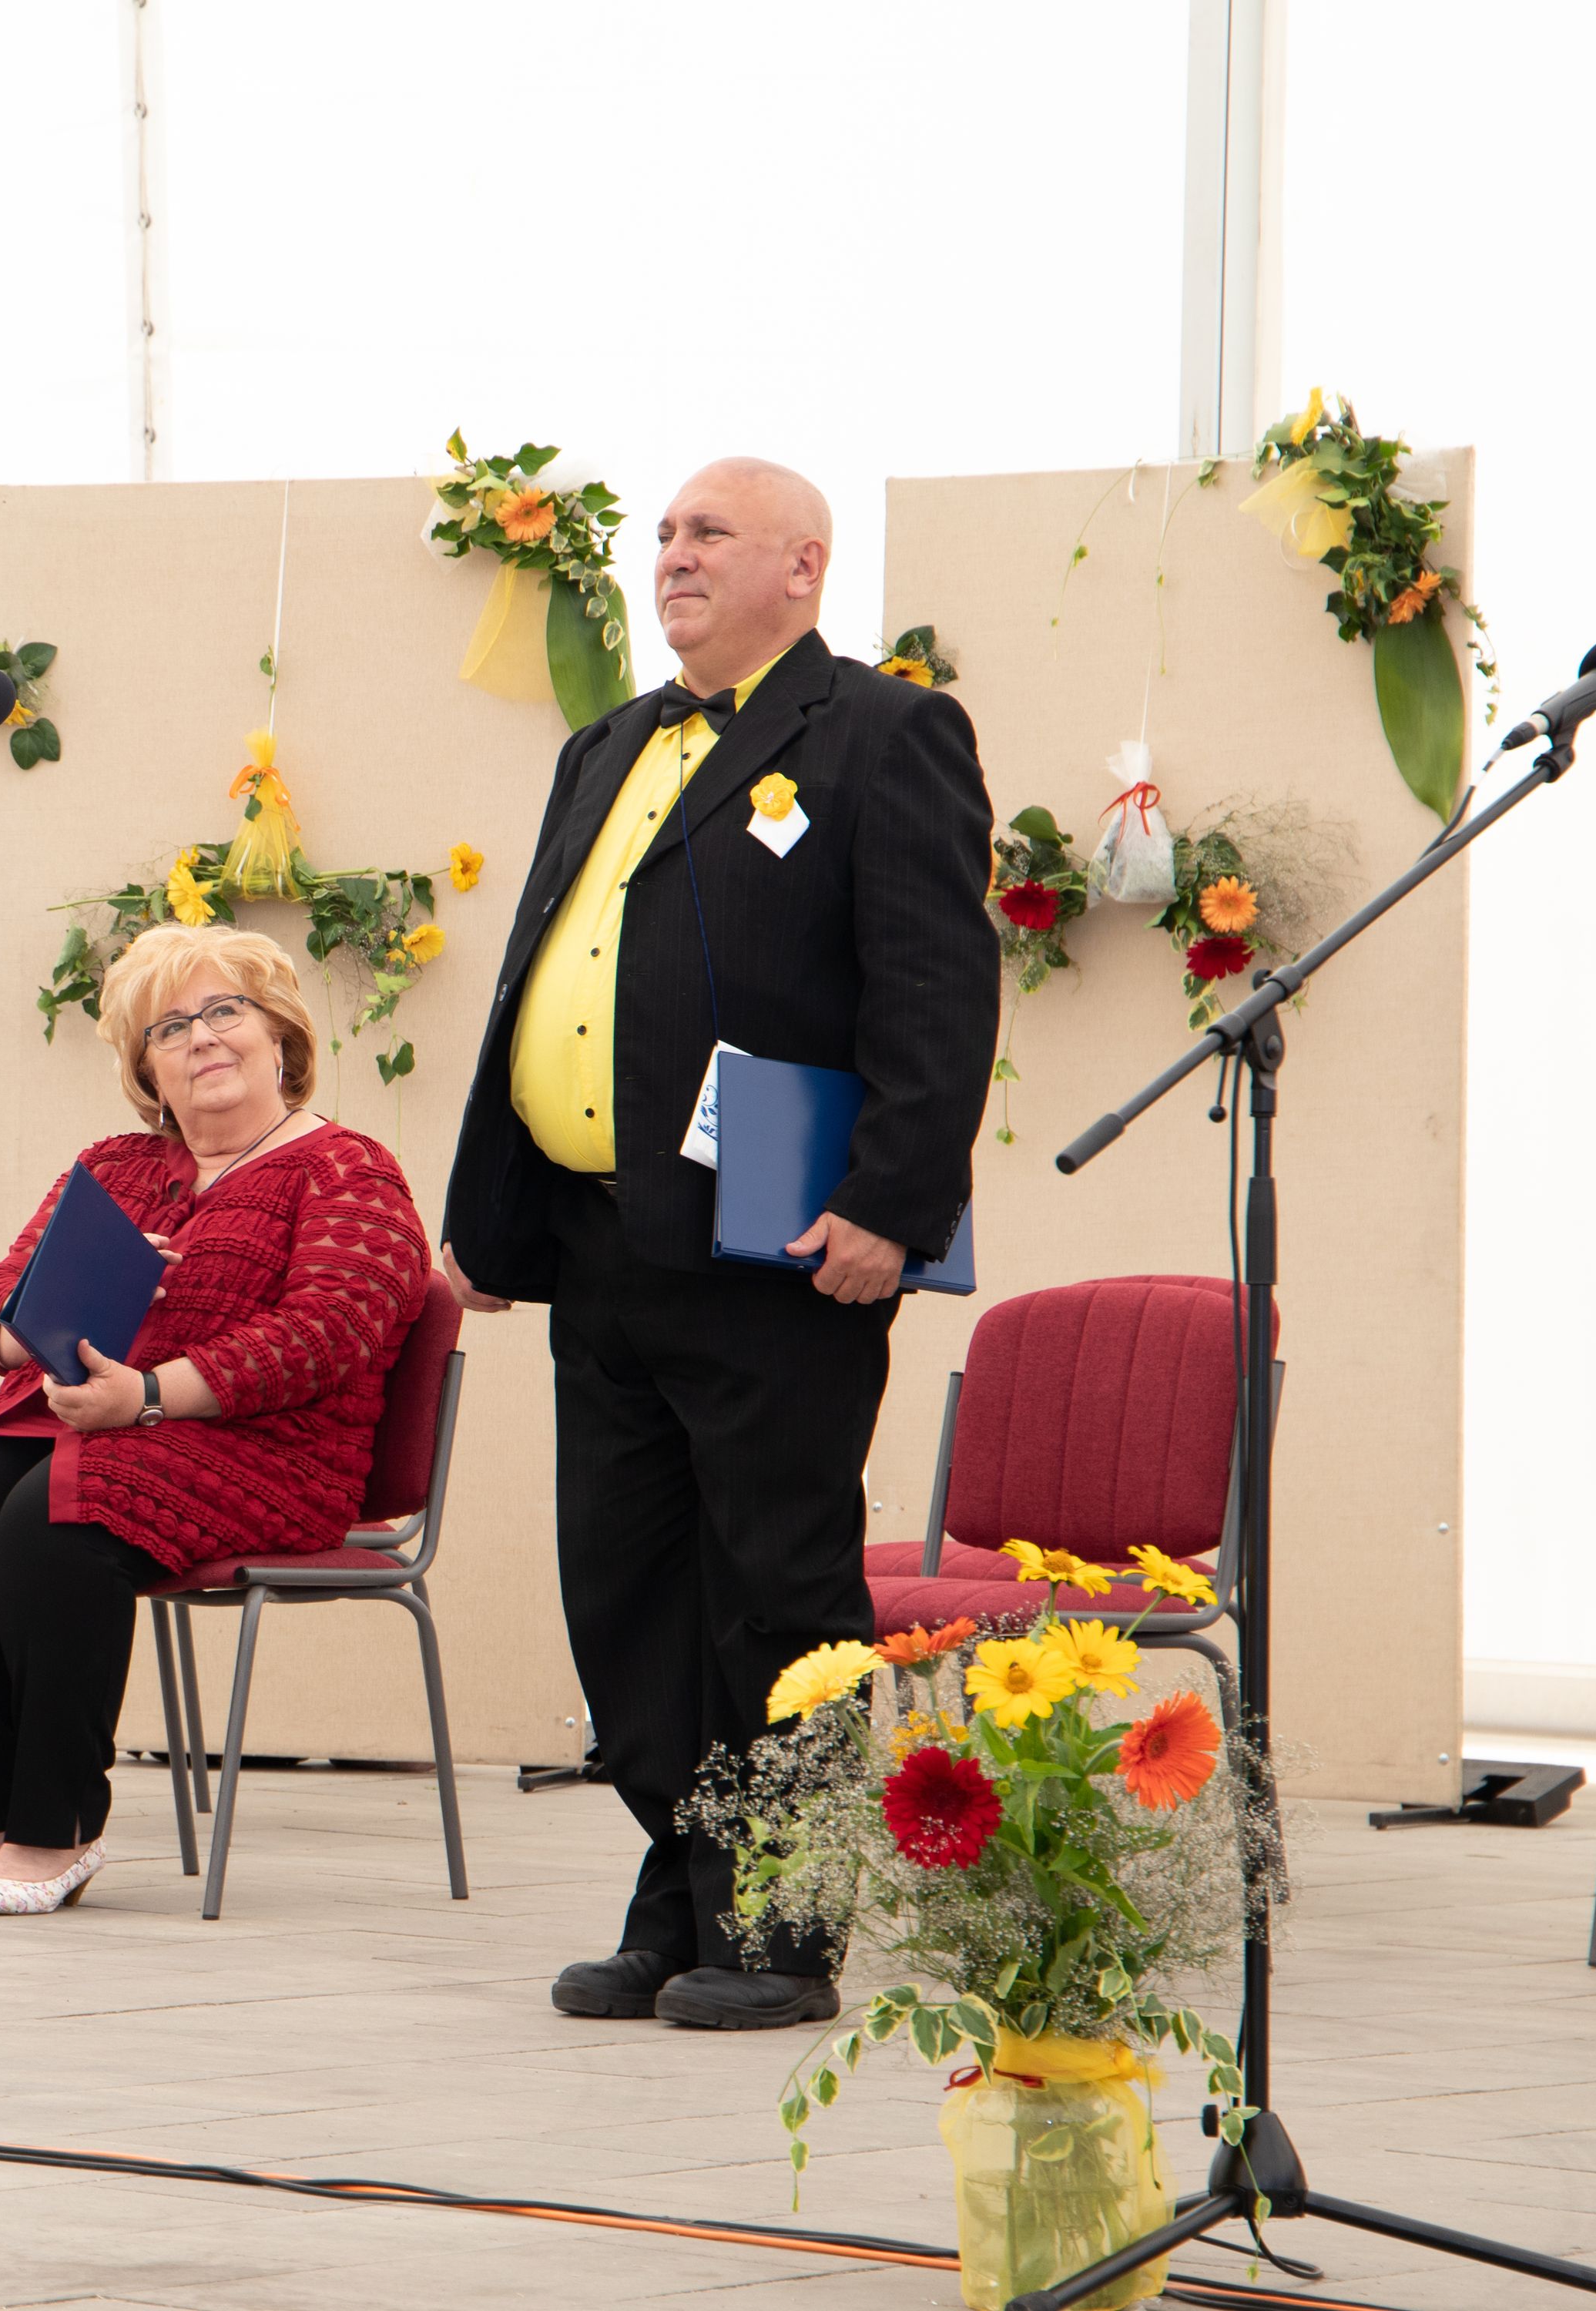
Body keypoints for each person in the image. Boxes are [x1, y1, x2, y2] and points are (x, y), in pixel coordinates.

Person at [437, 458, 994, 2029]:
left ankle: (786, 1925)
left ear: (803, 567)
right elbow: (541, 975)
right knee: (628, 1590)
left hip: (779, 1243)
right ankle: (680, 1897)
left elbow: (935, 988)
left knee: (774, 1587)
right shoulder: (608, 743)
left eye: (710, 534)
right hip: (603, 1238)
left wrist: (891, 1203)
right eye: (667, 534)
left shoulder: (883, 732)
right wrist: (491, 1210)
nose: (673, 556)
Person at [0, 924, 431, 1917]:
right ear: (148, 1071)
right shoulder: (118, 1165)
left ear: (278, 1035)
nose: (201, 1037)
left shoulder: (348, 1169)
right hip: (83, 1424)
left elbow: (327, 1331)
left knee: (57, 1517)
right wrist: (59, 1303)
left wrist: (153, 1393)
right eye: (169, 1028)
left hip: (267, 1451)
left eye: (225, 1011)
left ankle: (55, 1830)